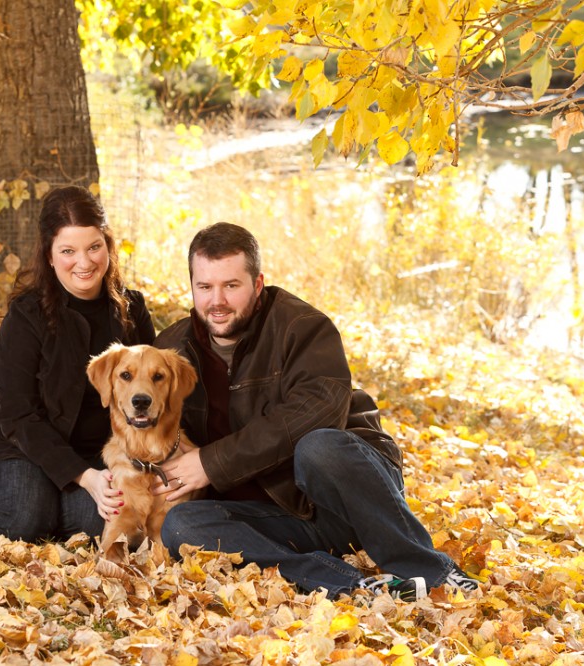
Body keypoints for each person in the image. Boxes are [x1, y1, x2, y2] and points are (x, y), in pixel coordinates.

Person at [152, 222, 479, 601]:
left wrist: (211, 463)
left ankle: (433, 572)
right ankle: (352, 585)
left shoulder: (303, 328)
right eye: (204, 287)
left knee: (319, 446)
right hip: (274, 519)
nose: (217, 301)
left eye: (231, 285)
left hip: (343, 504)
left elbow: (317, 412)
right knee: (181, 525)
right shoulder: (171, 348)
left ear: (258, 285)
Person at [0, 185, 155, 542]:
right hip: (18, 447)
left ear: (108, 246)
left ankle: (52, 507)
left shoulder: (131, 310)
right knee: (24, 519)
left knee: (102, 523)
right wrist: (84, 477)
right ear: (49, 255)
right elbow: (17, 414)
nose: (84, 262)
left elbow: (151, 392)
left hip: (97, 451)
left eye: (94, 247)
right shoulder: (26, 315)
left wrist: (112, 472)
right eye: (68, 251)